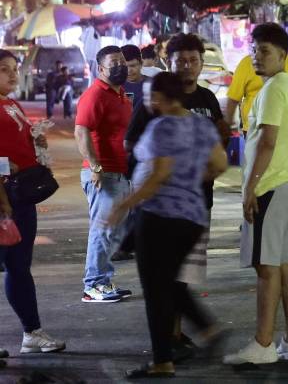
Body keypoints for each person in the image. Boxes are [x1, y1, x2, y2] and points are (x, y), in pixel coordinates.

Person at [106, 72, 229, 379]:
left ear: (159, 97)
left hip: (159, 217)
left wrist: (123, 205)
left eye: (149, 94)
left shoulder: (162, 127)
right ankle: (207, 329)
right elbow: (219, 165)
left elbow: (158, 176)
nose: (147, 100)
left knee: (155, 290)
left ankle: (163, 360)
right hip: (193, 217)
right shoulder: (202, 125)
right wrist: (190, 181)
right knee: (171, 284)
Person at [225, 23, 288, 365]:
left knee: (267, 266)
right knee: (286, 262)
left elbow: (268, 141)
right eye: (254, 50)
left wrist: (249, 187)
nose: (257, 57)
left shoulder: (273, 89)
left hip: (271, 186)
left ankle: (263, 344)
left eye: (265, 51)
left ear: (282, 55)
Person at [0, 50, 66, 358]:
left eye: (14, 69)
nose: (13, 75)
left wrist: (36, 143)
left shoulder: (12, 104)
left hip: (20, 196)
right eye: (4, 70)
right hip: (3, 199)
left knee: (18, 266)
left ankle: (31, 332)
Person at [74, 45, 134, 303]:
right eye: (114, 62)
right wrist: (96, 167)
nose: (121, 66)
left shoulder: (120, 95)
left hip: (120, 172)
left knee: (113, 233)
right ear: (100, 69)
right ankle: (93, 285)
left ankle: (103, 280)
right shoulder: (95, 94)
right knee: (103, 231)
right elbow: (81, 131)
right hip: (103, 173)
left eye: (122, 61)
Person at [120, 44, 146, 111]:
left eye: (133, 66)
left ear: (141, 63)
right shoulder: (115, 86)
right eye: (125, 67)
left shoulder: (153, 84)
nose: (129, 71)